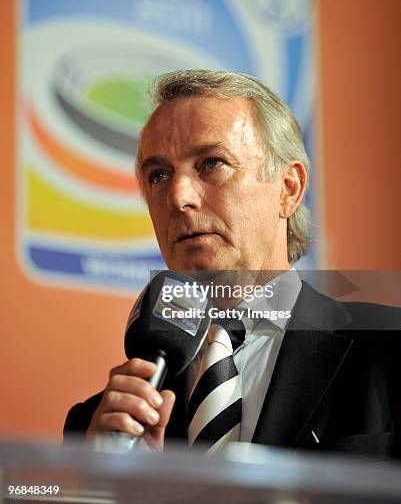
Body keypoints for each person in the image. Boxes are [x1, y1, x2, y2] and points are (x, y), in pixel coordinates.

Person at [64, 70, 401, 458]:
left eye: (211, 164)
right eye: (158, 175)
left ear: (288, 189)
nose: (179, 197)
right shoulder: (100, 427)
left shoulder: (388, 354)